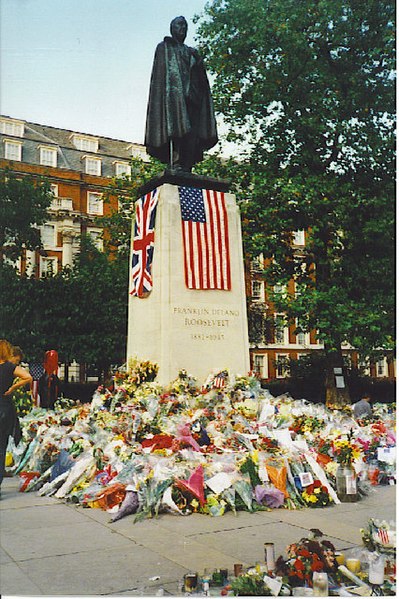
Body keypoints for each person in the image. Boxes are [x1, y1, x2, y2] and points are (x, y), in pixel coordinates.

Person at [145, 15, 218, 173]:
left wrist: (199, 61)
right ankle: (175, 162)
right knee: (176, 131)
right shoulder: (164, 47)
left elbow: (201, 78)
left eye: (185, 26)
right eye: (179, 26)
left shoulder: (191, 52)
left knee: (192, 132)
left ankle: (187, 164)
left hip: (193, 97)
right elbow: (159, 78)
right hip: (173, 98)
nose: (182, 29)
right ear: (172, 29)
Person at [0, 339, 32, 491]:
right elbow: (28, 377)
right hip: (4, 409)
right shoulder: (9, 367)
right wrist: (13, 387)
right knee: (1, 447)